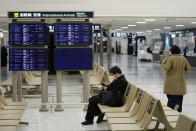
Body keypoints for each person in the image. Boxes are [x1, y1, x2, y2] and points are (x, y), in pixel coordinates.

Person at [162, 45, 191, 112]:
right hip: (181, 83)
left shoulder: (170, 58)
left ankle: (171, 114)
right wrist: (182, 71)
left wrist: (163, 63)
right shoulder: (183, 58)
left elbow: (167, 68)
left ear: (172, 51)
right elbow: (188, 68)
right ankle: (178, 113)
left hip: (171, 84)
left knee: (171, 100)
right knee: (179, 100)